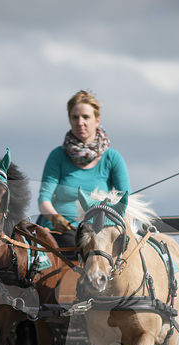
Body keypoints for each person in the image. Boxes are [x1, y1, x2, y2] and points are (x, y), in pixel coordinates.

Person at [37, 90, 131, 254]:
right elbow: (44, 200)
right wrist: (55, 218)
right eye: (75, 117)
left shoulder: (112, 158)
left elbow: (125, 201)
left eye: (86, 117)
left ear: (97, 120)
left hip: (97, 233)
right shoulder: (57, 156)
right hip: (58, 233)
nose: (80, 122)